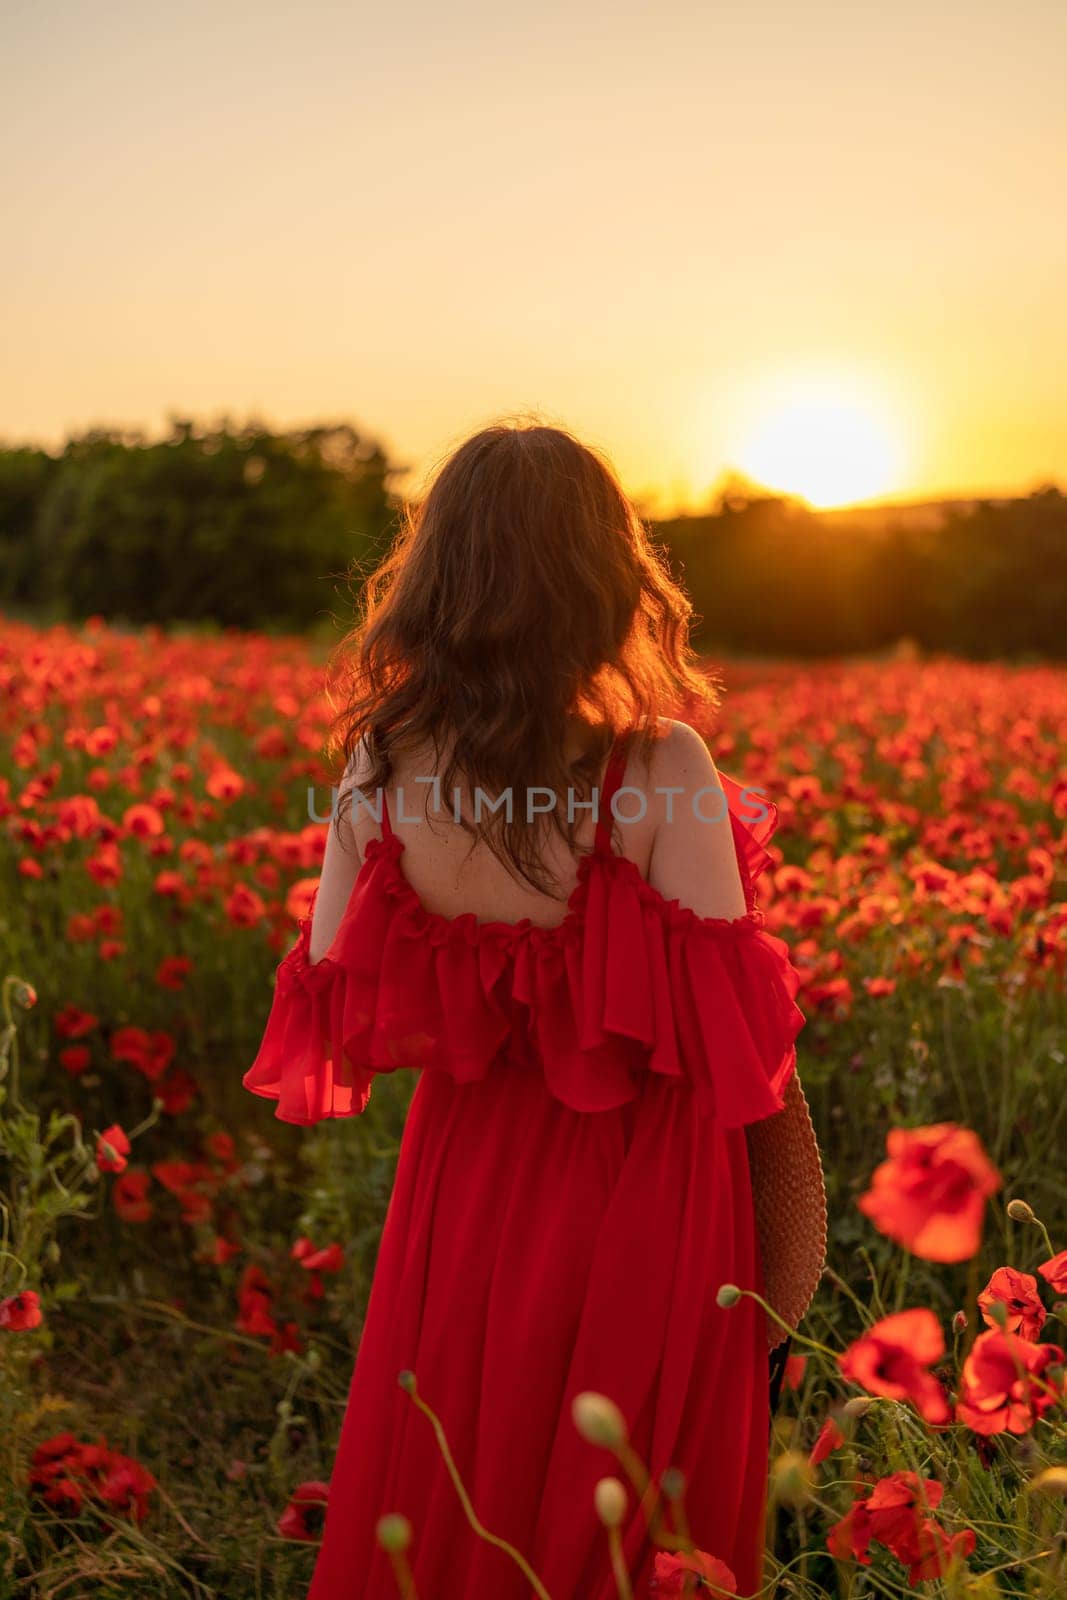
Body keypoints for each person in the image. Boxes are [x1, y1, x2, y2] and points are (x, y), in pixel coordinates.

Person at [243, 421, 820, 1598]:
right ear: (606, 577)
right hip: (641, 1191)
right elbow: (734, 1036)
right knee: (628, 1517)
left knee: (463, 1474)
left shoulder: (375, 767)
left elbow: (333, 987)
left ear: (436, 575)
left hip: (463, 1183)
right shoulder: (661, 769)